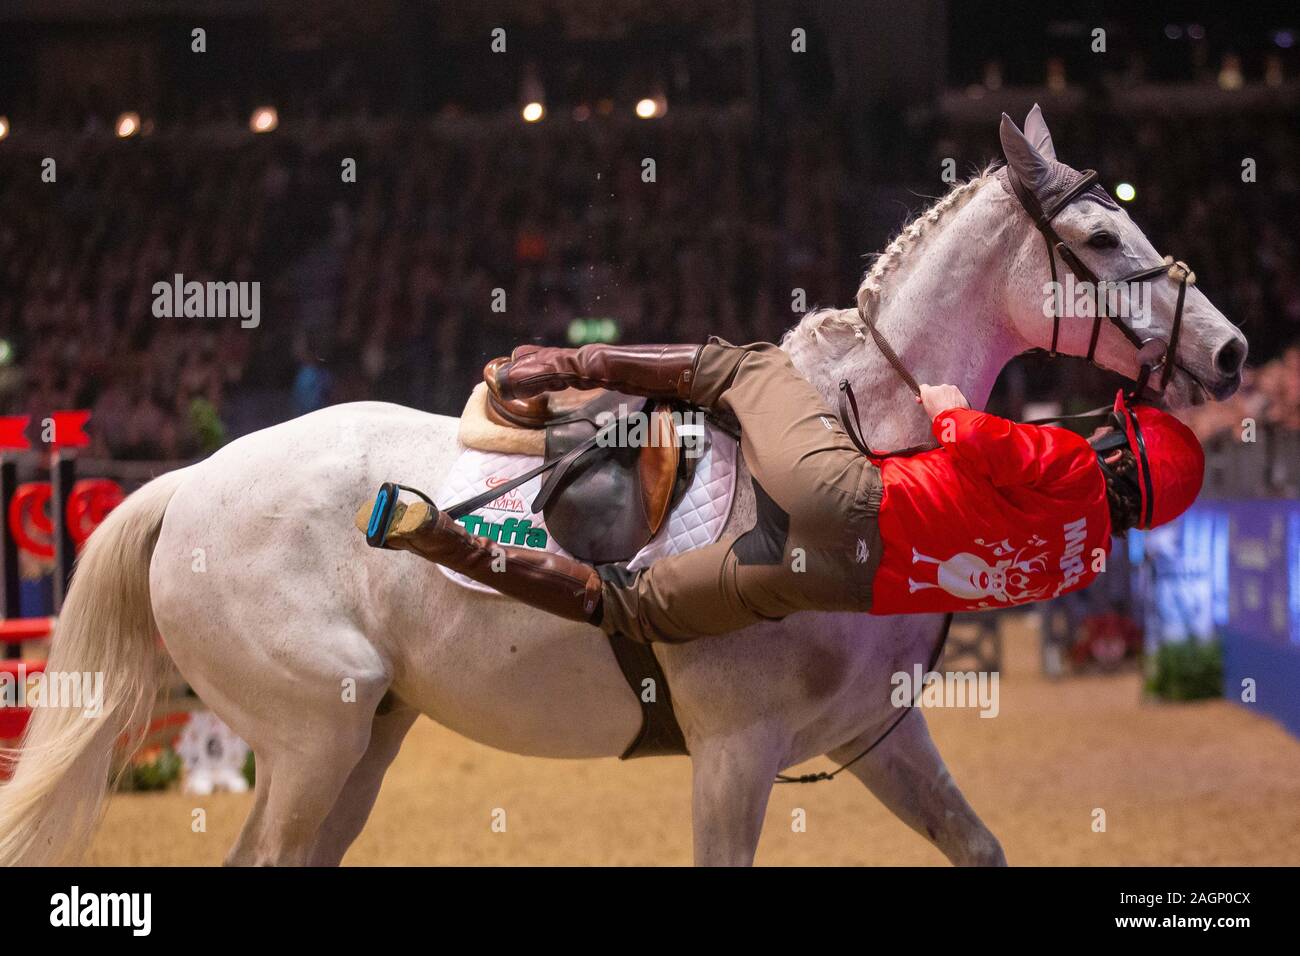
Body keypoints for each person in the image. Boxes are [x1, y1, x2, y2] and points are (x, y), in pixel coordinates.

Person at [367, 340, 1204, 644]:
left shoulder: (1073, 467)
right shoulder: (1084, 565)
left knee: (747, 366)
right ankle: (438, 536)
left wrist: (949, 406)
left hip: (843, 497)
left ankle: (561, 363)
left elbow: (970, 433)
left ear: (1121, 453)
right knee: (630, 611)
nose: (1101, 430)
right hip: (834, 583)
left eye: (1113, 432)